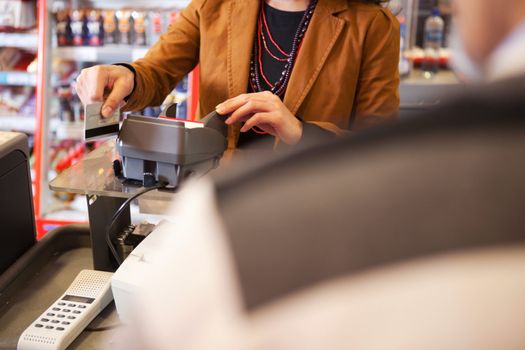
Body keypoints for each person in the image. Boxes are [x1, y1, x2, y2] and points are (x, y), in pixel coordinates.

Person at [75, 0, 400, 149]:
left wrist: (300, 132)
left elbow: (381, 146)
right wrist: (124, 76)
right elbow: (155, 71)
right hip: (222, 197)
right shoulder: (213, 6)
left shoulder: (372, 25)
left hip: (312, 199)